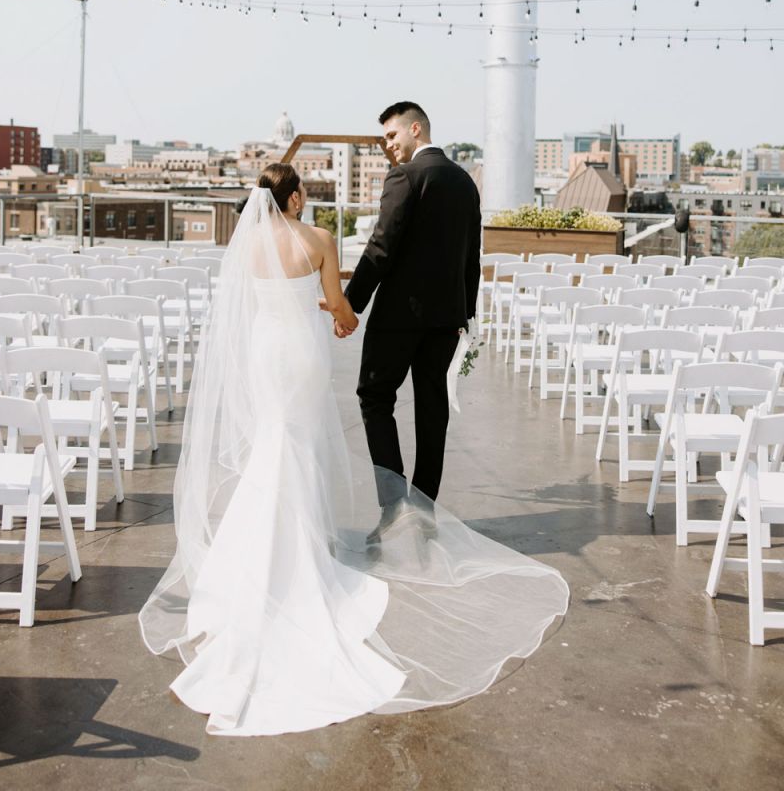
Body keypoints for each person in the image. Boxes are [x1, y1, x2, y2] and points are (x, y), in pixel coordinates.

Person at [139, 162, 568, 737]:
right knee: (300, 446)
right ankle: (304, 547)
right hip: (304, 354)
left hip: (267, 353)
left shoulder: (246, 247)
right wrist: (344, 321)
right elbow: (338, 307)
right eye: (302, 196)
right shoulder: (317, 239)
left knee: (273, 443)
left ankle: (260, 553)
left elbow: (241, 313)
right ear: (292, 199)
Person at [339, 102, 480, 534]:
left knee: (374, 396)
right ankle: (423, 509)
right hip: (446, 319)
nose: (388, 146)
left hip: (400, 317)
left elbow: (381, 246)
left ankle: (395, 505)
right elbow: (471, 258)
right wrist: (466, 315)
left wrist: (350, 304)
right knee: (433, 410)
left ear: (414, 129)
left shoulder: (406, 176)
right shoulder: (464, 182)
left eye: (391, 136)